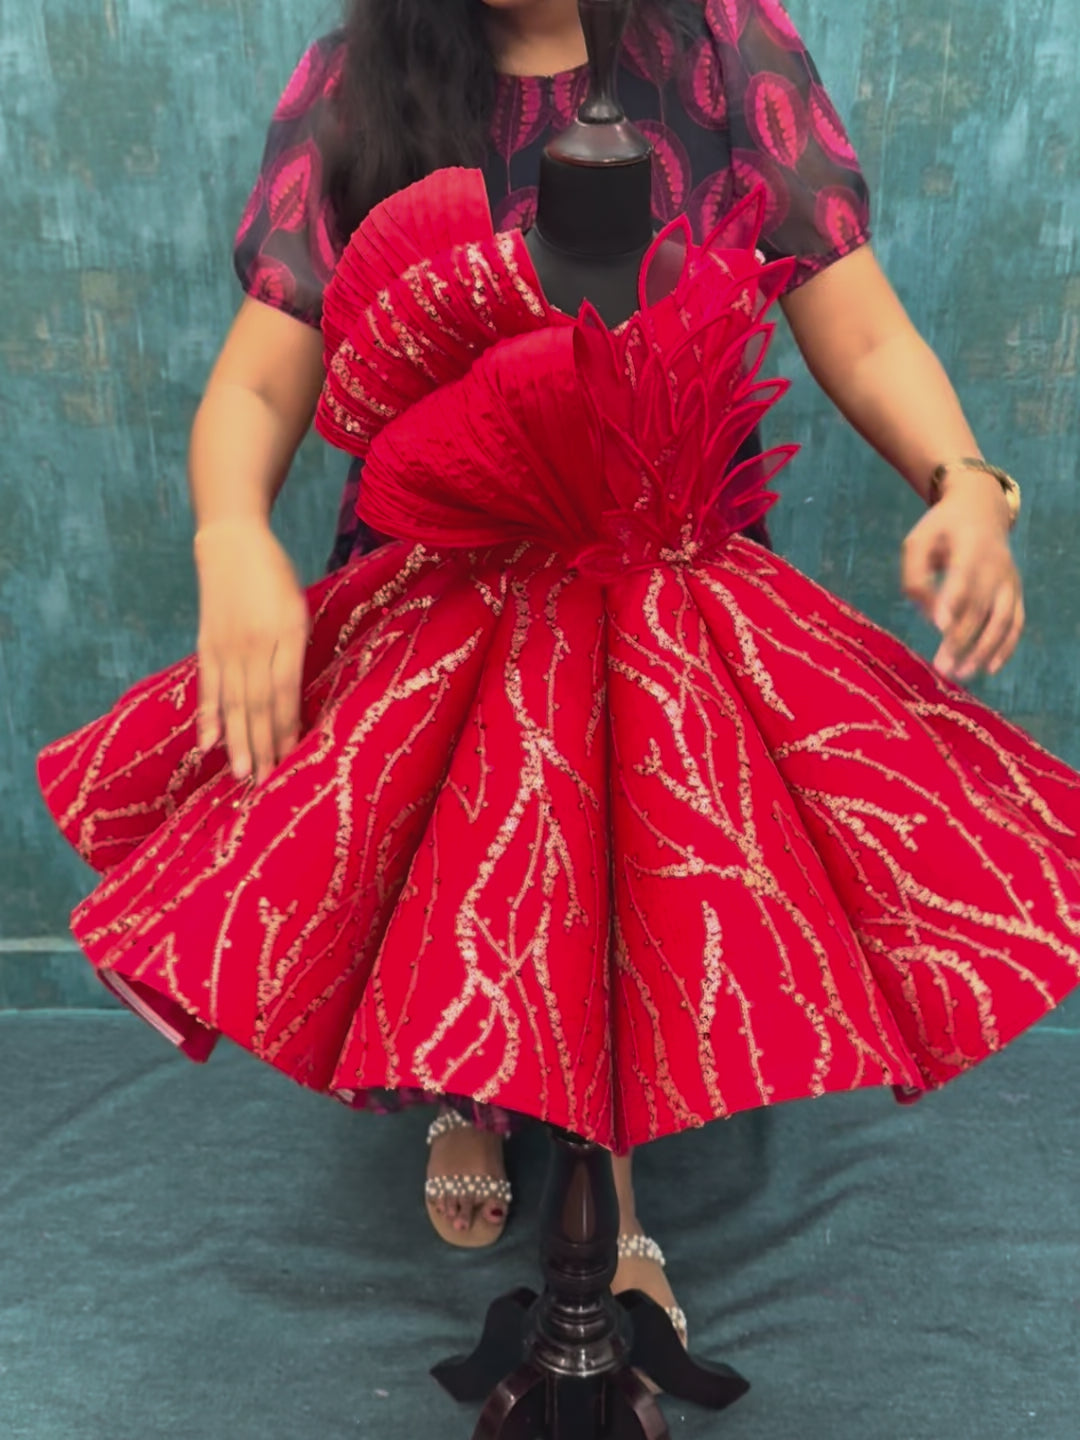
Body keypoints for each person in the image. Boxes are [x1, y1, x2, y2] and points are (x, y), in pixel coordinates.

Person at [85, 0, 1029, 1334]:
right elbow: (260, 375)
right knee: (469, 876)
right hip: (449, 572)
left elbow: (859, 324)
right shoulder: (363, 77)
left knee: (626, 885)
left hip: (653, 568)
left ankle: (616, 1183)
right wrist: (231, 531)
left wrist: (965, 479)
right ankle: (464, 1089)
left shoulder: (725, 50)